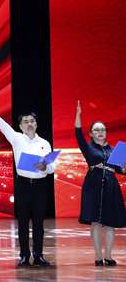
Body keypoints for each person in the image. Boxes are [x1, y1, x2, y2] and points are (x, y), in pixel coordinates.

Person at [0, 92, 54, 266]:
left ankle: (38, 256)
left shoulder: (45, 143)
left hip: (40, 186)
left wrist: (45, 168)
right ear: (21, 126)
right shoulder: (17, 138)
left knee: (39, 223)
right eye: (26, 122)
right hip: (23, 185)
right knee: (23, 222)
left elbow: (52, 167)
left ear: (36, 124)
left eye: (32, 121)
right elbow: (2, 125)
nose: (30, 124)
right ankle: (24, 256)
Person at [75, 101, 126, 266]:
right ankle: (98, 256)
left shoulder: (114, 150)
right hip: (93, 185)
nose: (100, 132)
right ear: (91, 133)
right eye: (96, 130)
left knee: (110, 223)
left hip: (111, 186)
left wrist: (124, 169)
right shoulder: (88, 148)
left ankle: (108, 255)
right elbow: (78, 133)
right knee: (96, 222)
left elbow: (119, 169)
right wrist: (78, 115)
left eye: (103, 130)